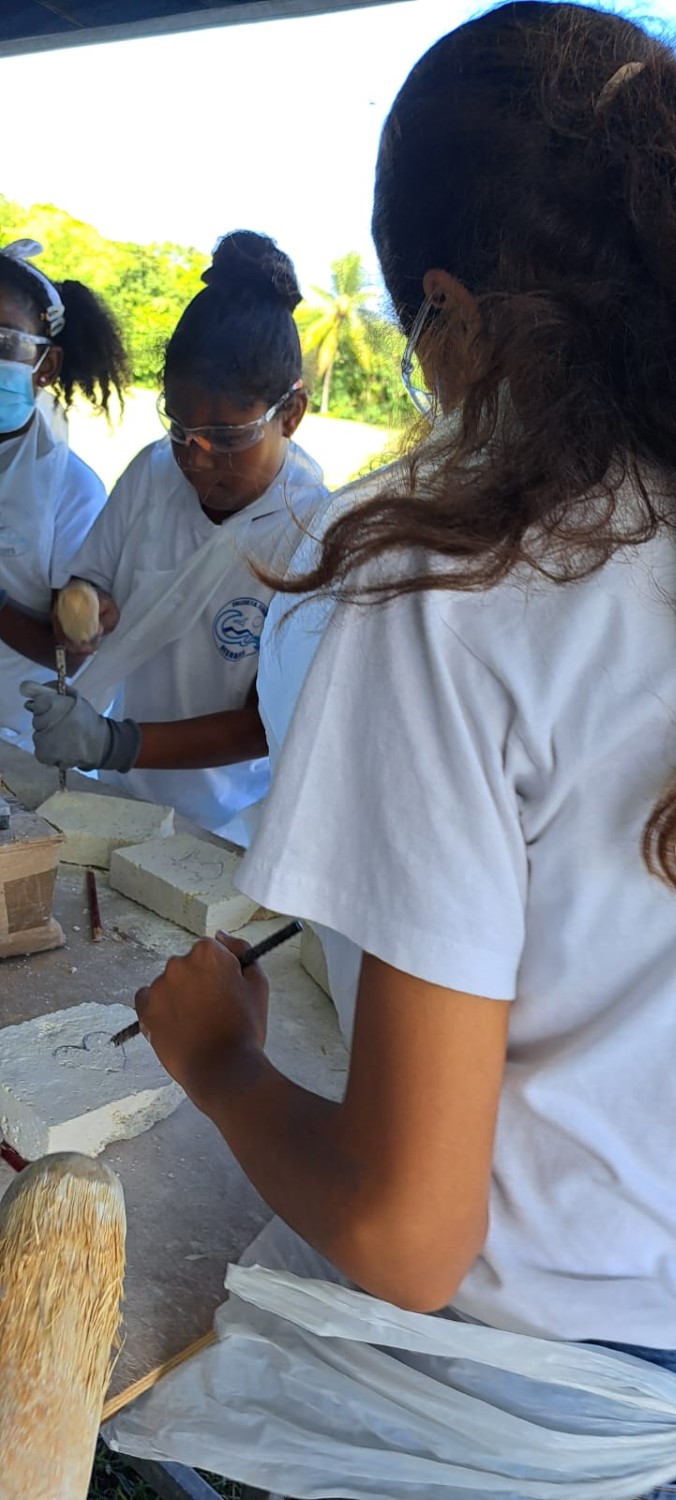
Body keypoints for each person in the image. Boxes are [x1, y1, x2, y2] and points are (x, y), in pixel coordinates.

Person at [125, 4, 676, 1486]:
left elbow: (406, 1232)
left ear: (447, 311)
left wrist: (222, 1063)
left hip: (521, 1406)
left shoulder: (456, 585)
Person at [17, 232, 327, 842]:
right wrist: (85, 611)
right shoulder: (154, 474)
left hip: (232, 826)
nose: (198, 460)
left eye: (228, 438)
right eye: (180, 429)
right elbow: (88, 584)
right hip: (124, 797)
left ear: (291, 413)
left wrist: (116, 742)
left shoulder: (310, 533)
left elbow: (266, 722)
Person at [0, 239, 128, 748]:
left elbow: (71, 654)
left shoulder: (71, 491)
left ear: (46, 366)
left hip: (18, 748)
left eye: (3, 343)